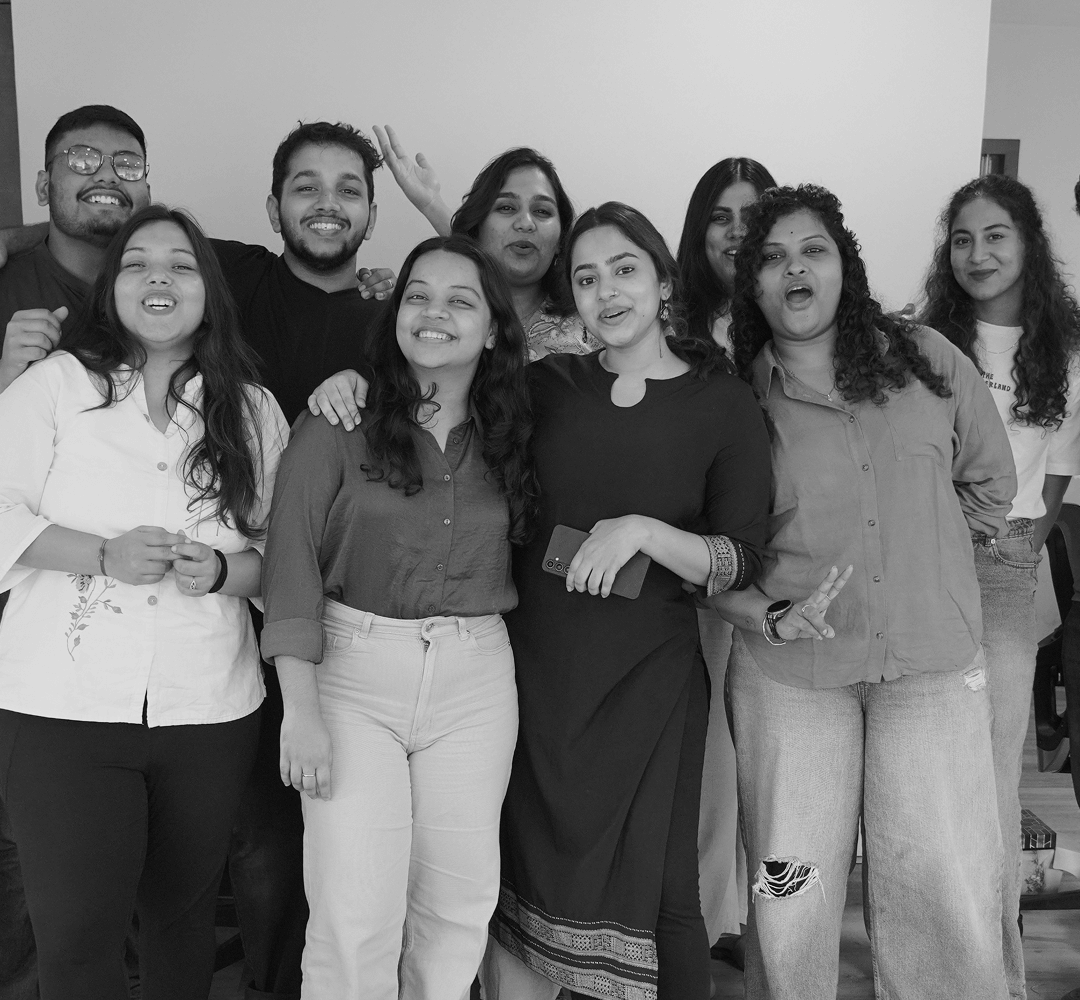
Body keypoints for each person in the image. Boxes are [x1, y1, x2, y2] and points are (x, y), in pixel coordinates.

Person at [712, 183, 1015, 1000]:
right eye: (772, 258)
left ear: (844, 264)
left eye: (813, 250)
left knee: (938, 885)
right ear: (753, 286)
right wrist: (765, 610)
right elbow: (715, 550)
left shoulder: (927, 360)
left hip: (930, 666)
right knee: (791, 888)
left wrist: (931, 559)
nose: (794, 270)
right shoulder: (735, 398)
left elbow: (990, 479)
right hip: (792, 678)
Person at [483, 202, 772, 999]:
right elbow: (436, 399)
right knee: (518, 877)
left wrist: (643, 531)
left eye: (623, 270)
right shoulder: (545, 385)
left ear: (664, 282)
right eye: (586, 278)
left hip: (649, 680)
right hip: (534, 677)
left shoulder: (722, 402)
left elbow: (740, 558)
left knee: (666, 893)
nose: (606, 292)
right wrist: (350, 382)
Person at [0, 204, 288, 999]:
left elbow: (288, 560)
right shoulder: (55, 386)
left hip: (207, 708)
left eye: (180, 265)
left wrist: (223, 571)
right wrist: (103, 555)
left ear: (209, 292)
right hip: (62, 708)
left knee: (182, 925)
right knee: (78, 937)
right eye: (137, 264)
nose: (159, 277)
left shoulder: (253, 410)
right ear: (112, 290)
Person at [260, 233, 533, 998]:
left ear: (494, 328)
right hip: (353, 675)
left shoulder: (520, 430)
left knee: (457, 908)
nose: (434, 312)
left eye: (460, 300)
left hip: (476, 680)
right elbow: (289, 565)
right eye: (418, 295)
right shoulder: (336, 422)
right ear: (395, 313)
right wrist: (300, 711)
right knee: (354, 912)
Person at [0, 102, 152, 1000]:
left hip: (143, 616)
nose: (104, 175)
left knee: (126, 834)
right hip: (23, 612)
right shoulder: (8, 281)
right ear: (43, 181)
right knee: (25, 839)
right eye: (81, 158)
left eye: (126, 162)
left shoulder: (172, 274)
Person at [921, 173, 1080, 1000]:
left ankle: (993, 957)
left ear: (1028, 246)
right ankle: (932, 945)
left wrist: (1019, 544)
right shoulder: (922, 341)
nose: (977, 254)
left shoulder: (1067, 351)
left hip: (1006, 569)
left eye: (995, 236)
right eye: (962, 239)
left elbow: (1054, 480)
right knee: (923, 768)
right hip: (924, 565)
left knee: (991, 771)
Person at [675, 156, 777, 960]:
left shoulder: (795, 318)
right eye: (721, 216)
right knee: (711, 757)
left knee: (777, 769)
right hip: (704, 571)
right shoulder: (669, 323)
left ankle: (768, 919)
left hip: (793, 567)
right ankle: (714, 918)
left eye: (752, 216)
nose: (737, 233)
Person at [373, 127, 599, 358]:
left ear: (561, 239)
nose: (525, 223)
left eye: (542, 211)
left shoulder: (595, 320)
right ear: (477, 225)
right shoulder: (435, 318)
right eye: (506, 207)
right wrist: (431, 204)